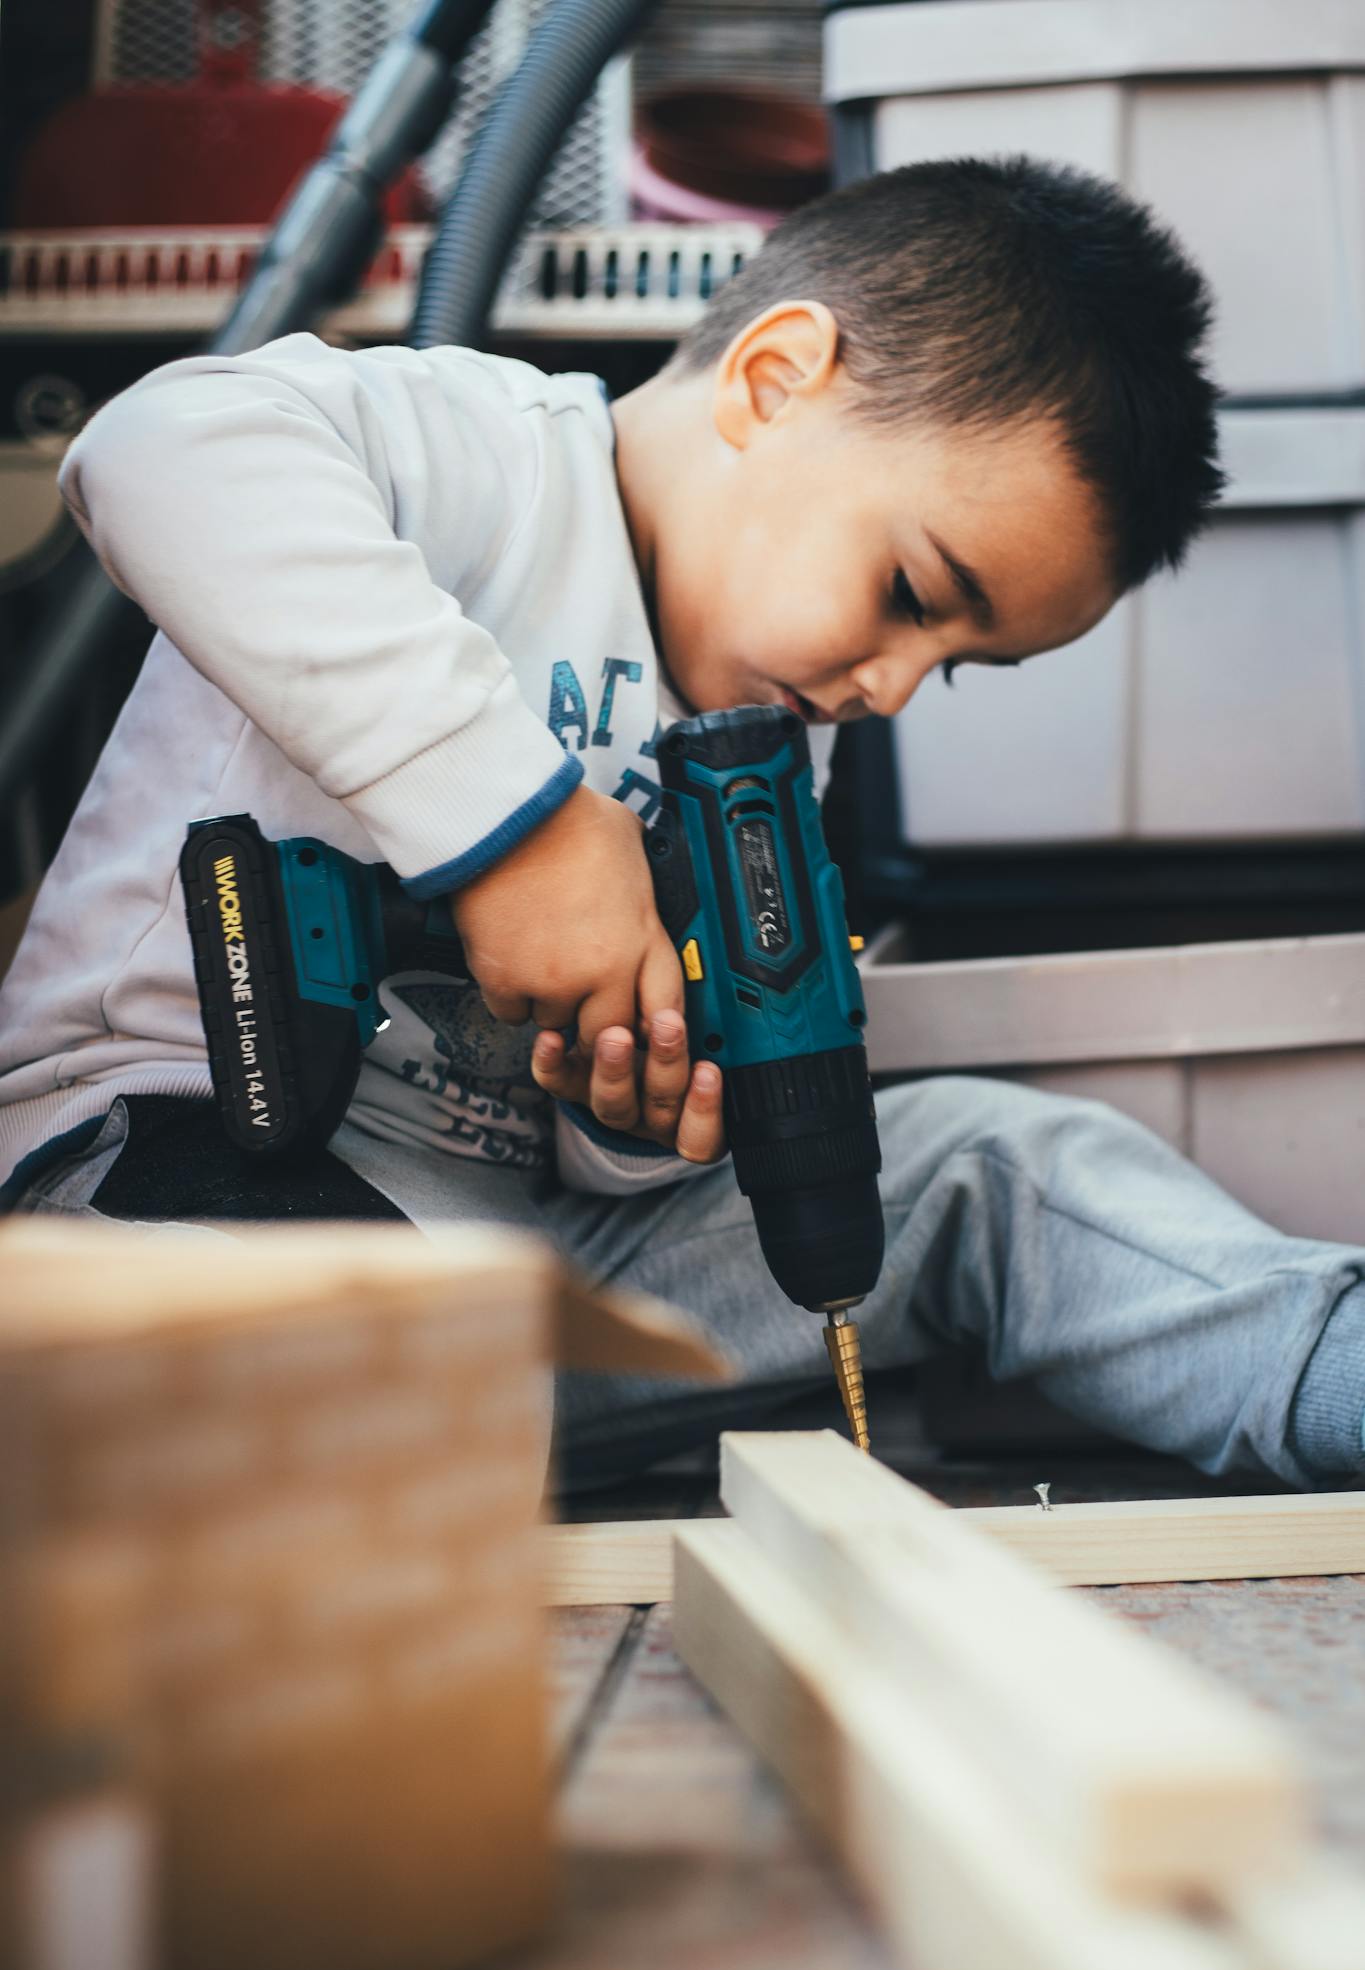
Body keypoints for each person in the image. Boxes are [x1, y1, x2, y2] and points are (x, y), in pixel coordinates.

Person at [1, 156, 1361, 1488]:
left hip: (531, 1285)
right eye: (907, 591)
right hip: (172, 1182)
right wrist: (515, 829)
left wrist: (637, 1113)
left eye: (951, 662)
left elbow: (624, 1149)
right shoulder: (483, 456)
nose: (889, 688)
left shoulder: (774, 747)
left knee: (997, 1168)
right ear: (774, 380)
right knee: (337, 1376)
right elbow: (157, 449)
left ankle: (1330, 1379)